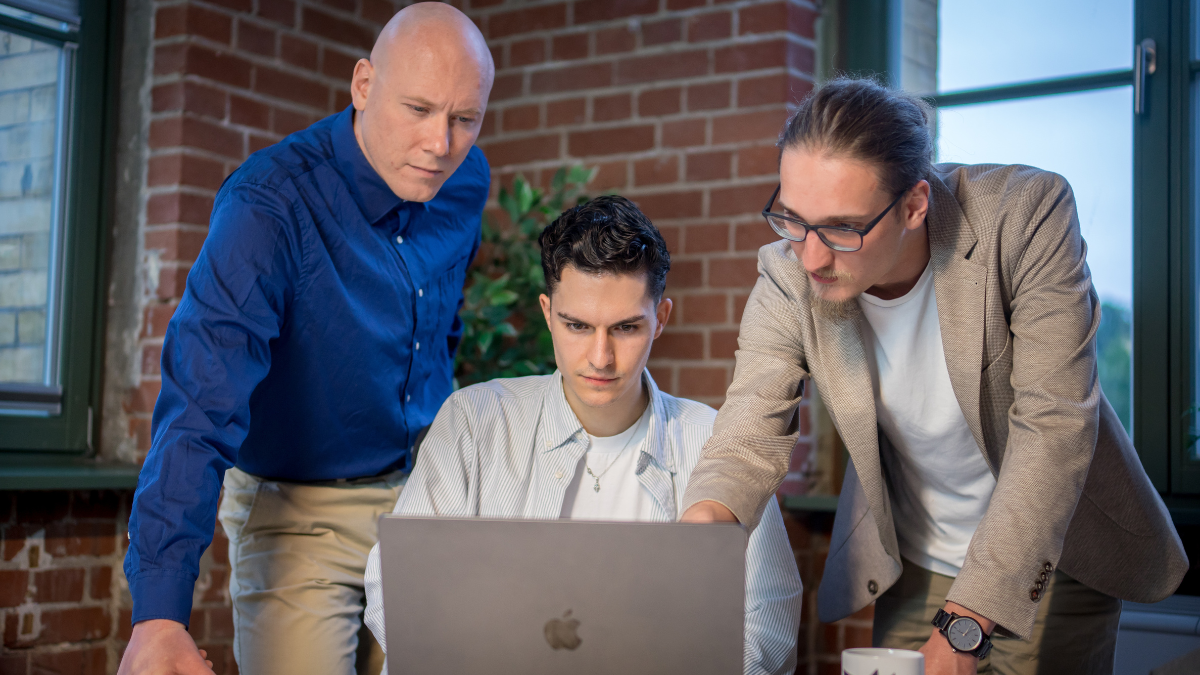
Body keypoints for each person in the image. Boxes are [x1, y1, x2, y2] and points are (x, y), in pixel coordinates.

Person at [678, 78, 1187, 674]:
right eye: (792, 219)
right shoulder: (788, 273)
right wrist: (697, 542)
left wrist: (966, 627)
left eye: (842, 228)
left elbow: (1054, 427)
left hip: (1049, 560)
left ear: (915, 205)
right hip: (917, 564)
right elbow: (747, 435)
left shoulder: (1024, 216)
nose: (811, 257)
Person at [118, 5, 494, 674]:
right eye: (418, 109)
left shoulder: (466, 181)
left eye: (465, 119)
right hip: (298, 510)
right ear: (362, 85)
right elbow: (200, 406)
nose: (442, 143)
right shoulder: (268, 205)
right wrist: (158, 612)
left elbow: (442, 324)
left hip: (425, 498)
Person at [361, 195, 804, 675]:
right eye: (576, 325)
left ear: (661, 320)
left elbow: (767, 624)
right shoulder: (474, 420)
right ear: (548, 313)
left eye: (626, 328)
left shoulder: (717, 443)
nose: (600, 357)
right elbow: (396, 588)